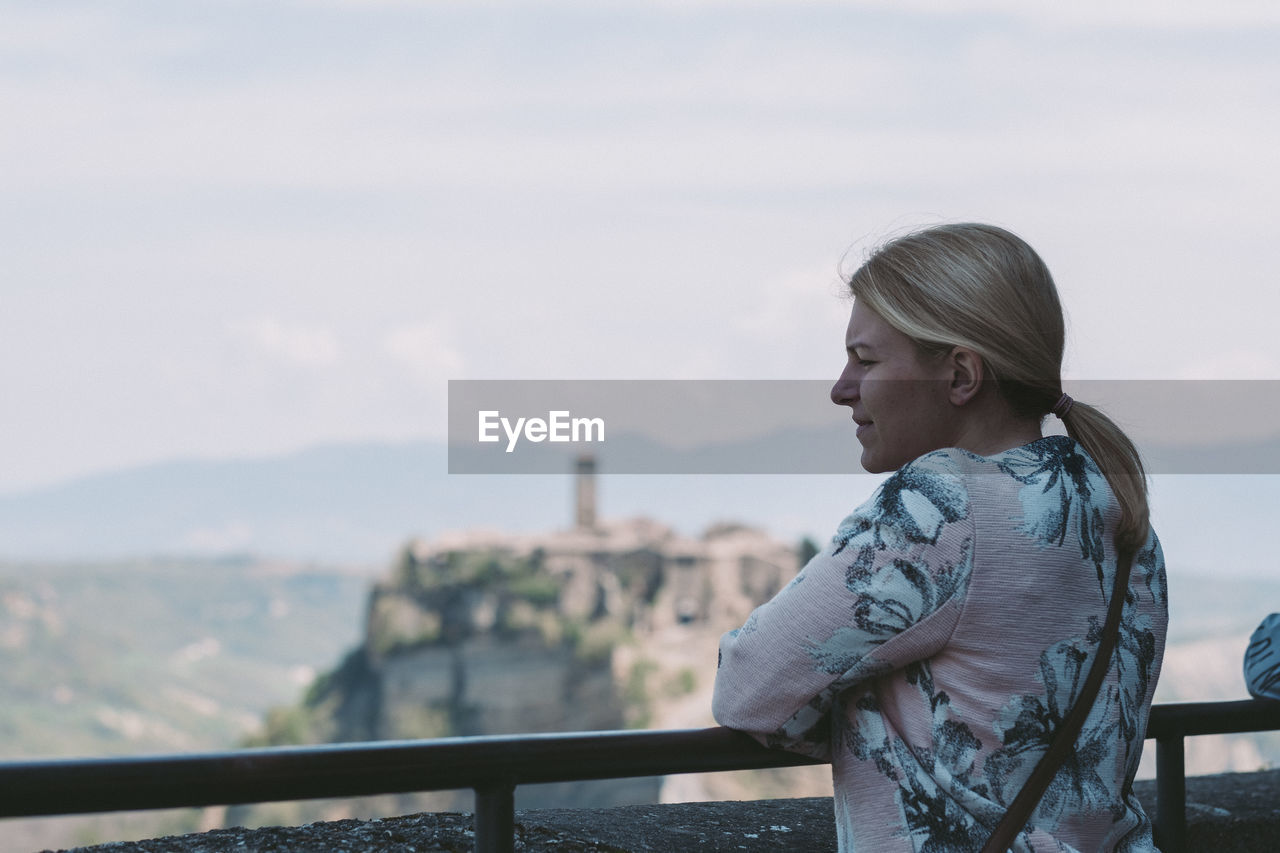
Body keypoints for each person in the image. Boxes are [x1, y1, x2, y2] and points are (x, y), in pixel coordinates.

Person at [713, 223, 1168, 852]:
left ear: (960, 376)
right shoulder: (1111, 499)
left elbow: (747, 687)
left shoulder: (944, 502)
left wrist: (855, 694)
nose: (841, 389)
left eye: (865, 360)